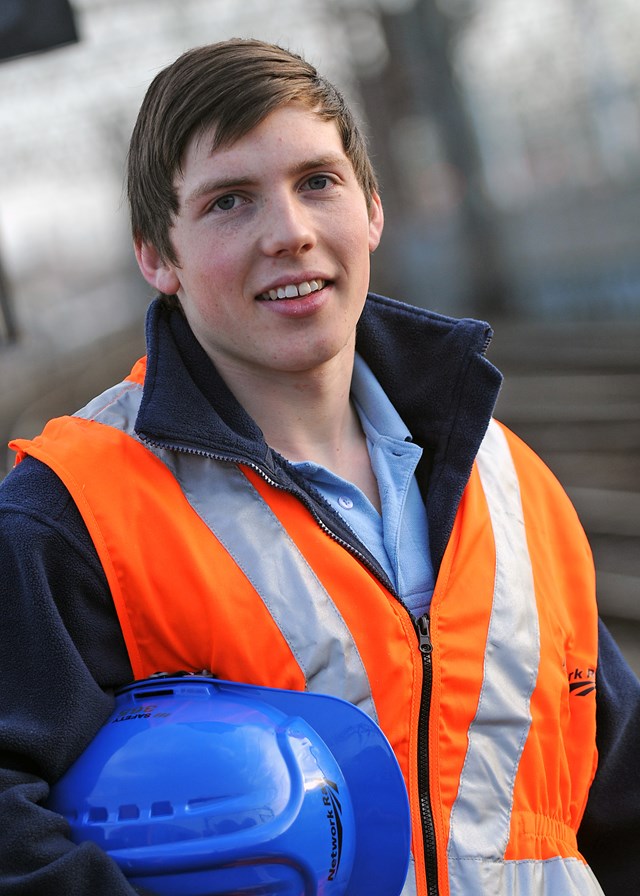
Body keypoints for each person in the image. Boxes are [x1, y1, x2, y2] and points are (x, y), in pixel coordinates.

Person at [0, 37, 638, 896]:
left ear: (371, 207)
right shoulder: (72, 514)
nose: (290, 234)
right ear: (158, 256)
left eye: (318, 183)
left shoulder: (508, 481)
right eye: (230, 201)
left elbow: (619, 787)